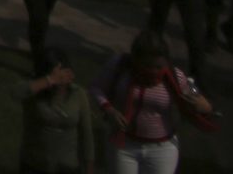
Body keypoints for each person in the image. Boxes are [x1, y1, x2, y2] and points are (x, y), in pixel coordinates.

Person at [89, 30, 213, 174]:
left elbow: (198, 98)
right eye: (148, 66)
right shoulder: (119, 66)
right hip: (124, 144)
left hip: (162, 148)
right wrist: (109, 109)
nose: (154, 72)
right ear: (135, 60)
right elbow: (96, 87)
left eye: (159, 67)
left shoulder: (176, 76)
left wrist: (204, 106)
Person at [18, 49, 97, 174]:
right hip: (34, 165)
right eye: (57, 74)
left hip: (67, 168)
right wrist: (49, 80)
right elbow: (15, 92)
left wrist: (89, 169)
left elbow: (87, 136)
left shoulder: (78, 94)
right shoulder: (35, 92)